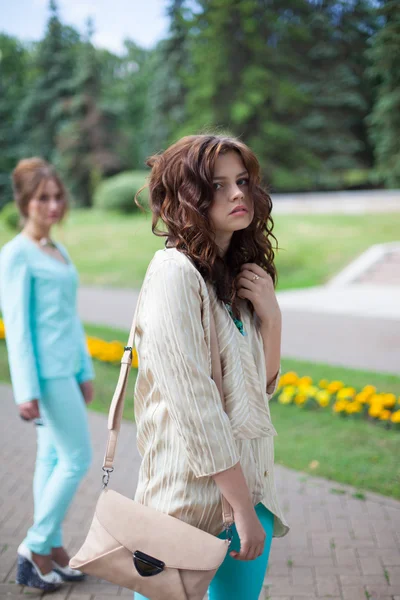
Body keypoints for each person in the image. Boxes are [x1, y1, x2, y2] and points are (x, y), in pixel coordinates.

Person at [132, 134, 290, 600]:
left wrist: (272, 319)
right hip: (186, 500)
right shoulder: (173, 275)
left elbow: (258, 393)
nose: (238, 193)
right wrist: (239, 508)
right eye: (217, 185)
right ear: (188, 197)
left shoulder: (232, 275)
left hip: (250, 490)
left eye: (242, 181)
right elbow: (195, 407)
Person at [0, 158, 95, 592]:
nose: (53, 205)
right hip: (45, 375)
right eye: (43, 198)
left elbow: (69, 318)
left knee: (52, 458)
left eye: (58, 196)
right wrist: (26, 390)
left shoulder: (58, 250)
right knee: (77, 458)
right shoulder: (15, 254)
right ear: (24, 202)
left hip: (67, 370)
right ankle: (34, 548)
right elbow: (17, 327)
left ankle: (54, 550)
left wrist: (85, 368)